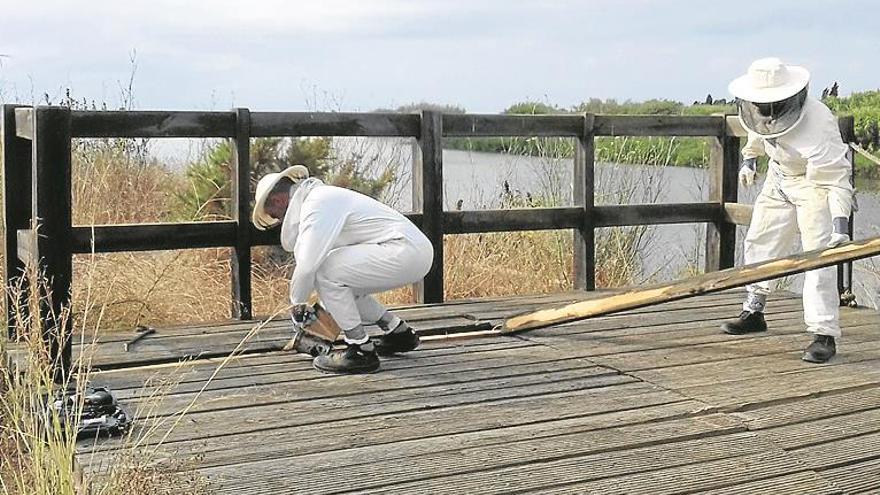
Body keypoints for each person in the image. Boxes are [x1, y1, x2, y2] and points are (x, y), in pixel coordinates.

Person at [721, 57, 854, 363]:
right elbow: (760, 130)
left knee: (818, 257)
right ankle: (754, 310)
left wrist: (839, 226)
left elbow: (837, 178)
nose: (766, 108)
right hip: (778, 177)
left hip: (813, 183)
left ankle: (824, 333)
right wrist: (750, 158)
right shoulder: (759, 111)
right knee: (760, 241)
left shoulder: (818, 122)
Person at [252, 165, 434, 374]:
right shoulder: (322, 198)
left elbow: (308, 265)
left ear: (279, 201)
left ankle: (360, 349)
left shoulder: (316, 204)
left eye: (273, 214)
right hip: (412, 250)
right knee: (339, 281)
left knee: (325, 272)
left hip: (404, 250)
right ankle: (397, 332)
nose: (277, 220)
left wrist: (297, 308)